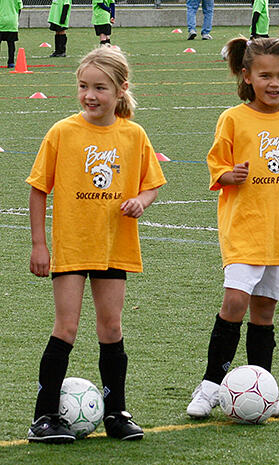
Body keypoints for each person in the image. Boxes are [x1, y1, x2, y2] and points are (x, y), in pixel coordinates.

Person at [187, 26, 279, 419]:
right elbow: (217, 167)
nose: (275, 83)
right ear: (247, 76)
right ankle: (210, 386)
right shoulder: (233, 119)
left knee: (264, 311)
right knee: (235, 302)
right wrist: (228, 175)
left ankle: (263, 389)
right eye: (266, 75)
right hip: (245, 227)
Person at [26, 47, 166, 443]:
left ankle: (117, 413)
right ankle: (44, 418)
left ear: (121, 89)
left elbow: (151, 182)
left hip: (113, 246)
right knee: (66, 327)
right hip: (72, 246)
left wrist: (141, 200)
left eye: (100, 87)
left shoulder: (133, 134)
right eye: (84, 86)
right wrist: (40, 245)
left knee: (111, 327)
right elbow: (38, 190)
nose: (90, 95)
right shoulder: (62, 132)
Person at [0, 0, 22, 68]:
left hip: (1, 20)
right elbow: (20, 8)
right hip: (12, 22)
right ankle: (11, 62)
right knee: (11, 43)